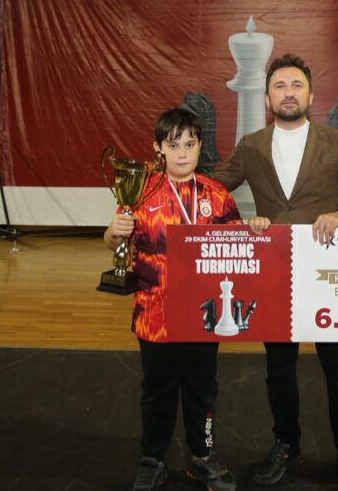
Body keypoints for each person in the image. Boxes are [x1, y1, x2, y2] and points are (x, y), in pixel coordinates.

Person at [210, 53, 338, 491]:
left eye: (296, 85)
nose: (289, 93)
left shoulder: (337, 142)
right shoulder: (251, 145)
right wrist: (171, 181)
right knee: (279, 370)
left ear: (310, 94)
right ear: (268, 98)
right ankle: (286, 443)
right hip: (274, 275)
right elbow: (212, 189)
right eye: (280, 86)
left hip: (326, 274)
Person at [104, 108, 241, 491]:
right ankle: (153, 458)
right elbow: (114, 244)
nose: (182, 153)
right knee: (157, 389)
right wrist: (114, 231)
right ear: (158, 149)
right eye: (174, 145)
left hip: (204, 313)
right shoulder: (140, 189)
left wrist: (255, 229)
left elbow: (236, 244)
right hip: (155, 311)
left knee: (202, 388)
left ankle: (203, 455)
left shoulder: (216, 194)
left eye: (190, 144)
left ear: (200, 147)